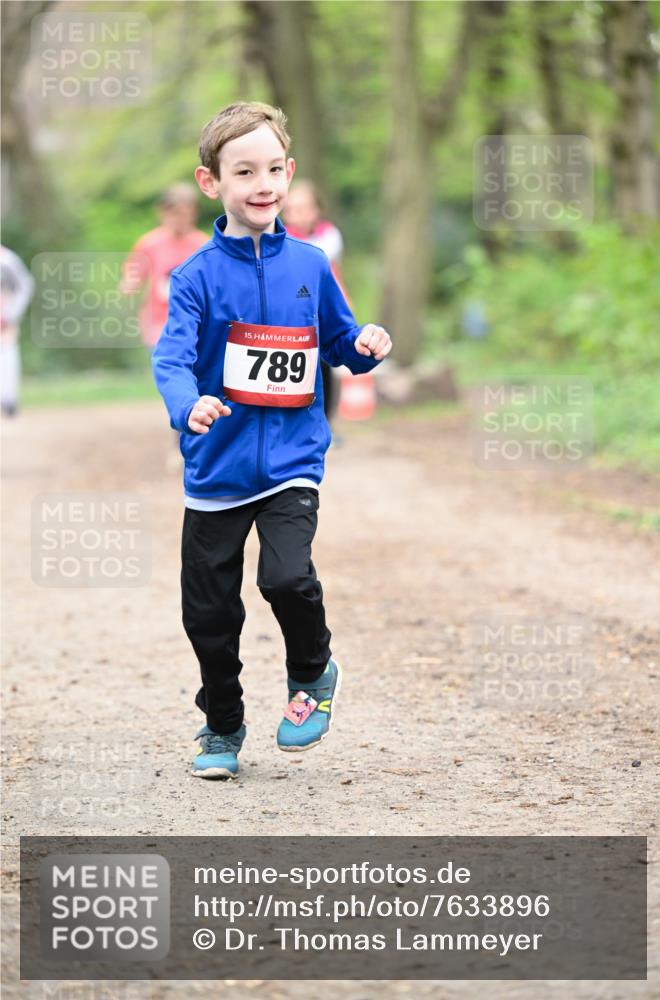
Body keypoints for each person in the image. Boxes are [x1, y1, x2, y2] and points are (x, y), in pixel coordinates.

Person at [151, 101, 392, 779]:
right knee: (208, 614)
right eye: (244, 171)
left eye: (274, 169)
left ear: (289, 174)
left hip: (291, 459)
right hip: (215, 468)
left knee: (285, 575)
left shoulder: (311, 266)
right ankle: (222, 726)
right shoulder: (195, 276)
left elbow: (341, 342)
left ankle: (313, 672)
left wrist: (367, 346)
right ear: (211, 184)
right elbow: (171, 357)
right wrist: (186, 404)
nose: (263, 183)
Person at [121, 184, 208, 469]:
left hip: (197, 324)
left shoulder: (202, 244)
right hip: (159, 324)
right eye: (175, 214)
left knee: (196, 380)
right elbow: (134, 272)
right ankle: (181, 441)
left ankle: (189, 440)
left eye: (186, 214)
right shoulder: (149, 243)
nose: (181, 220)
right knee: (176, 380)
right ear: (163, 213)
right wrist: (129, 284)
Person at [283, 180, 348, 425]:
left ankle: (326, 420)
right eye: (291, 209)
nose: (297, 215)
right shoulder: (283, 237)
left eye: (303, 208)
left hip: (323, 311)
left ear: (316, 209)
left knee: (326, 365)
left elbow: (334, 273)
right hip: (295, 314)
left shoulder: (329, 235)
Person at [1, 245, 35, 419]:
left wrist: (10, 314)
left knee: (6, 354)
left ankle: (8, 400)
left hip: (3, 319)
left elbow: (25, 285)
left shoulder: (7, 259)